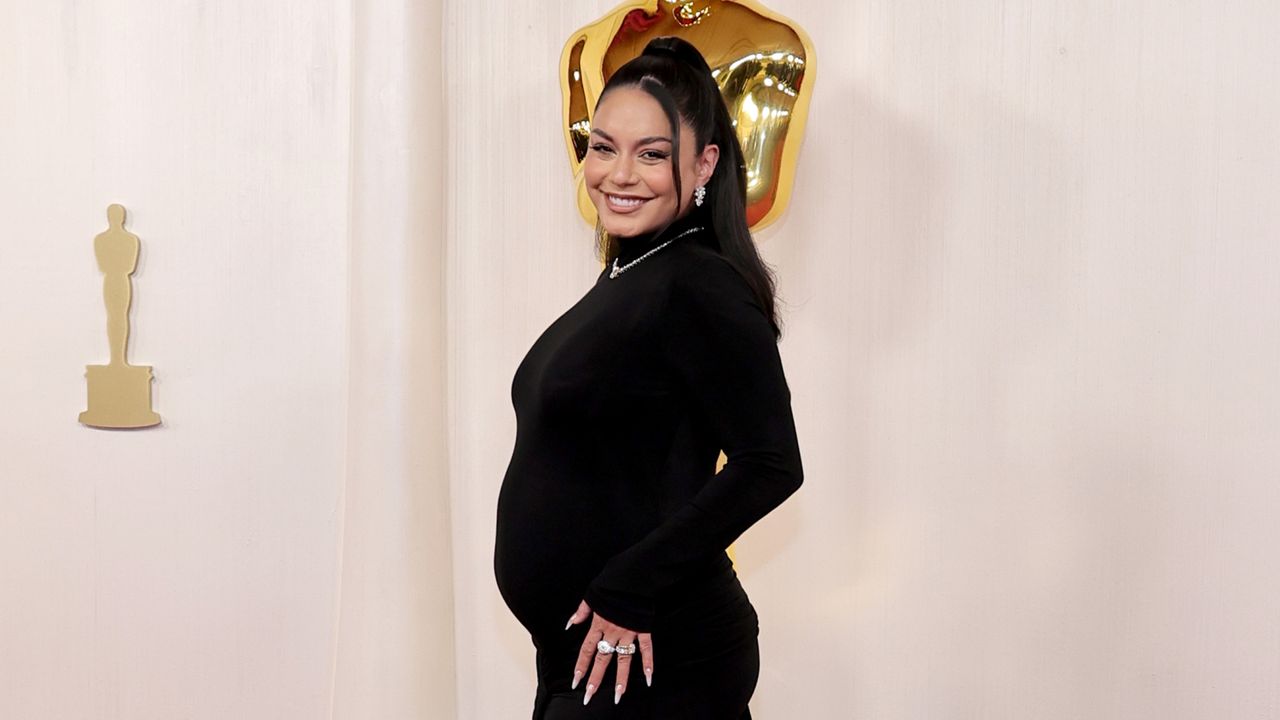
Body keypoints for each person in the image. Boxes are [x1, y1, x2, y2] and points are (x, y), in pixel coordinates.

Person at [495, 36, 804, 719]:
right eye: (603, 147)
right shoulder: (630, 273)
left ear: (704, 164)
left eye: (653, 154)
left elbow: (771, 462)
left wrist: (631, 583)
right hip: (591, 652)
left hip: (659, 651)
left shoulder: (700, 284)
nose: (619, 174)